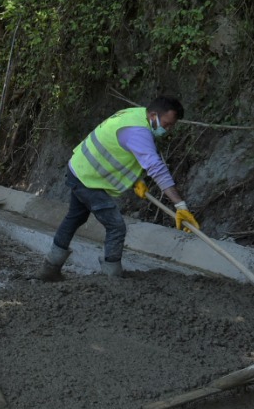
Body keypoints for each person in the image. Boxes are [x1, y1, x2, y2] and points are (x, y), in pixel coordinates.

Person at [38, 97, 198, 280]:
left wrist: (135, 179)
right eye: (167, 124)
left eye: (172, 126)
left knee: (75, 217)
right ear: (154, 115)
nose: (168, 130)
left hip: (80, 168)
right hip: (88, 179)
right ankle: (112, 278)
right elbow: (156, 169)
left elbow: (122, 150)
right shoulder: (138, 131)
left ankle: (49, 270)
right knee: (116, 226)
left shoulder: (136, 114)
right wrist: (180, 206)